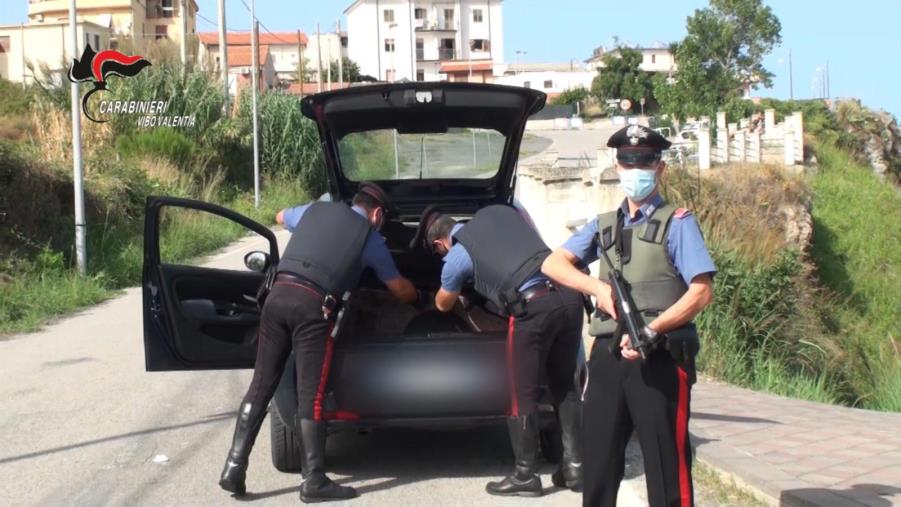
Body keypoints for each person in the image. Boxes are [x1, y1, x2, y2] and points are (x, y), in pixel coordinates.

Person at [542, 124, 715, 507]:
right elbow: (554, 265)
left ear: (660, 168)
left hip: (659, 354)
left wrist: (654, 328)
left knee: (666, 465)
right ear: (617, 167)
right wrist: (597, 288)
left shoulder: (678, 223)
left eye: (645, 161)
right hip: (607, 355)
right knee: (599, 462)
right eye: (627, 160)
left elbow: (701, 291)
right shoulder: (604, 225)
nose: (635, 168)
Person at [219, 182, 418, 503]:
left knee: (260, 386)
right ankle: (313, 481)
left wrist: (313, 214)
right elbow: (399, 290)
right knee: (310, 395)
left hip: (276, 298)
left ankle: (233, 467)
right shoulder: (368, 237)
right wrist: (419, 296)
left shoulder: (315, 210)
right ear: (377, 214)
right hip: (312, 308)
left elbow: (280, 215)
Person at [411, 203, 584, 497]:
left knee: (521, 392)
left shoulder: (457, 254)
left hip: (534, 306)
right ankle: (576, 469)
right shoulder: (502, 217)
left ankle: (525, 476)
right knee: (564, 384)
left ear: (440, 243)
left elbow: (442, 304)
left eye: (439, 252)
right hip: (569, 295)